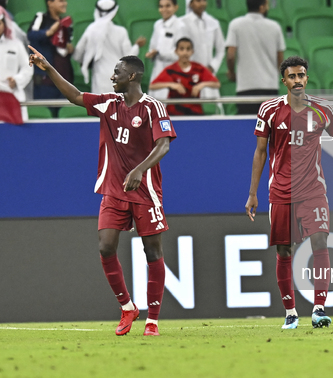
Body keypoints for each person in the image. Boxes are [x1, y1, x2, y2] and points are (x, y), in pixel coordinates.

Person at [29, 46, 176, 336]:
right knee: (105, 246)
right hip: (113, 190)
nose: (112, 77)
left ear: (132, 75)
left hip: (145, 190)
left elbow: (164, 145)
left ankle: (153, 321)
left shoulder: (153, 107)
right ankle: (127, 307)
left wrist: (138, 170)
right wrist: (48, 67)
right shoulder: (109, 104)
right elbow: (75, 96)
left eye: (117, 72)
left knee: (152, 252)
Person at [245, 56, 333, 329]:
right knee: (284, 252)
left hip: (313, 190)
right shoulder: (270, 110)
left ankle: (319, 307)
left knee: (320, 242)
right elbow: (260, 151)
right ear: (283, 80)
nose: (297, 81)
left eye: (302, 75)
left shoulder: (323, 110)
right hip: (281, 192)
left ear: (307, 78)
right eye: (292, 76)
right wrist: (253, 193)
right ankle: (291, 313)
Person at [73, 0, 146, 95]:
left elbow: (77, 55)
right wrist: (137, 46)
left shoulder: (91, 30)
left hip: (99, 77)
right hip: (119, 75)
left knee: (101, 106)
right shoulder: (121, 31)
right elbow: (129, 56)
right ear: (114, 13)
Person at [226, 0, 285, 114]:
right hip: (269, 87)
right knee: (268, 128)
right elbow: (280, 58)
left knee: (246, 128)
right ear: (262, 7)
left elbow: (230, 55)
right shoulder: (275, 27)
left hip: (245, 87)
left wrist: (231, 73)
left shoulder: (236, 24)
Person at [150, 37, 220, 115]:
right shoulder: (171, 70)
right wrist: (172, 85)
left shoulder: (199, 68)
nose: (185, 52)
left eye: (188, 49)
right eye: (182, 49)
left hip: (195, 112)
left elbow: (216, 84)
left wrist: (201, 85)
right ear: (176, 51)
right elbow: (152, 86)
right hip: (174, 113)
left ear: (192, 52)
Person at [27, 0, 74, 116]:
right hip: (45, 81)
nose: (65, 3)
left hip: (64, 80)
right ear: (50, 2)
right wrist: (49, 32)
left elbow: (64, 47)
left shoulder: (66, 23)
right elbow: (31, 35)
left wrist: (69, 49)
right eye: (61, 1)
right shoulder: (41, 17)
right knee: (44, 116)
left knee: (65, 117)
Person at [146, 0, 189, 100]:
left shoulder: (180, 26)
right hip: (158, 71)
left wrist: (160, 53)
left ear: (175, 7)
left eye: (168, 6)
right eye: (161, 6)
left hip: (174, 73)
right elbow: (153, 45)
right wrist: (151, 53)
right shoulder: (157, 25)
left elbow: (182, 54)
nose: (164, 9)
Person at [0, 6, 33, 122]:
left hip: (12, 96)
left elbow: (28, 68)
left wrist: (17, 80)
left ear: (4, 24)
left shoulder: (15, 44)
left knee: (16, 137)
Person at [181, 0, 224, 74]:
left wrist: (212, 67)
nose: (202, 4)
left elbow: (221, 49)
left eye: (204, 1)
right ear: (190, 4)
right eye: (198, 1)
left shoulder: (213, 23)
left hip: (208, 75)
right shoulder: (182, 23)